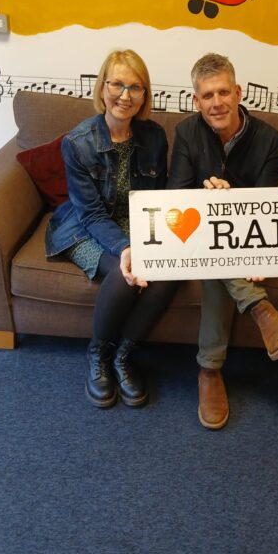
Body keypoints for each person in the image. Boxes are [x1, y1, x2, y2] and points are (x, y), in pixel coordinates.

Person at [168, 53, 278, 430]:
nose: (216, 103)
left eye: (224, 92)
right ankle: (260, 310)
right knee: (211, 251)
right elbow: (175, 196)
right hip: (195, 231)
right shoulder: (186, 132)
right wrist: (206, 197)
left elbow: (265, 207)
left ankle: (209, 370)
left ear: (238, 92)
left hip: (248, 236)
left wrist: (231, 199)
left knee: (217, 258)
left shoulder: (270, 140)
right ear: (196, 101)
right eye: (207, 95)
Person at [46, 49, 178, 408]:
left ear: (145, 95)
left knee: (167, 272)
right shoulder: (77, 142)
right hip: (84, 228)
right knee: (125, 274)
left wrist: (151, 242)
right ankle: (98, 356)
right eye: (117, 84)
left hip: (135, 225)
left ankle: (123, 355)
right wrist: (125, 248)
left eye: (135, 87)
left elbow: (156, 199)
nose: (125, 95)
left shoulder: (154, 137)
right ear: (102, 88)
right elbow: (90, 214)